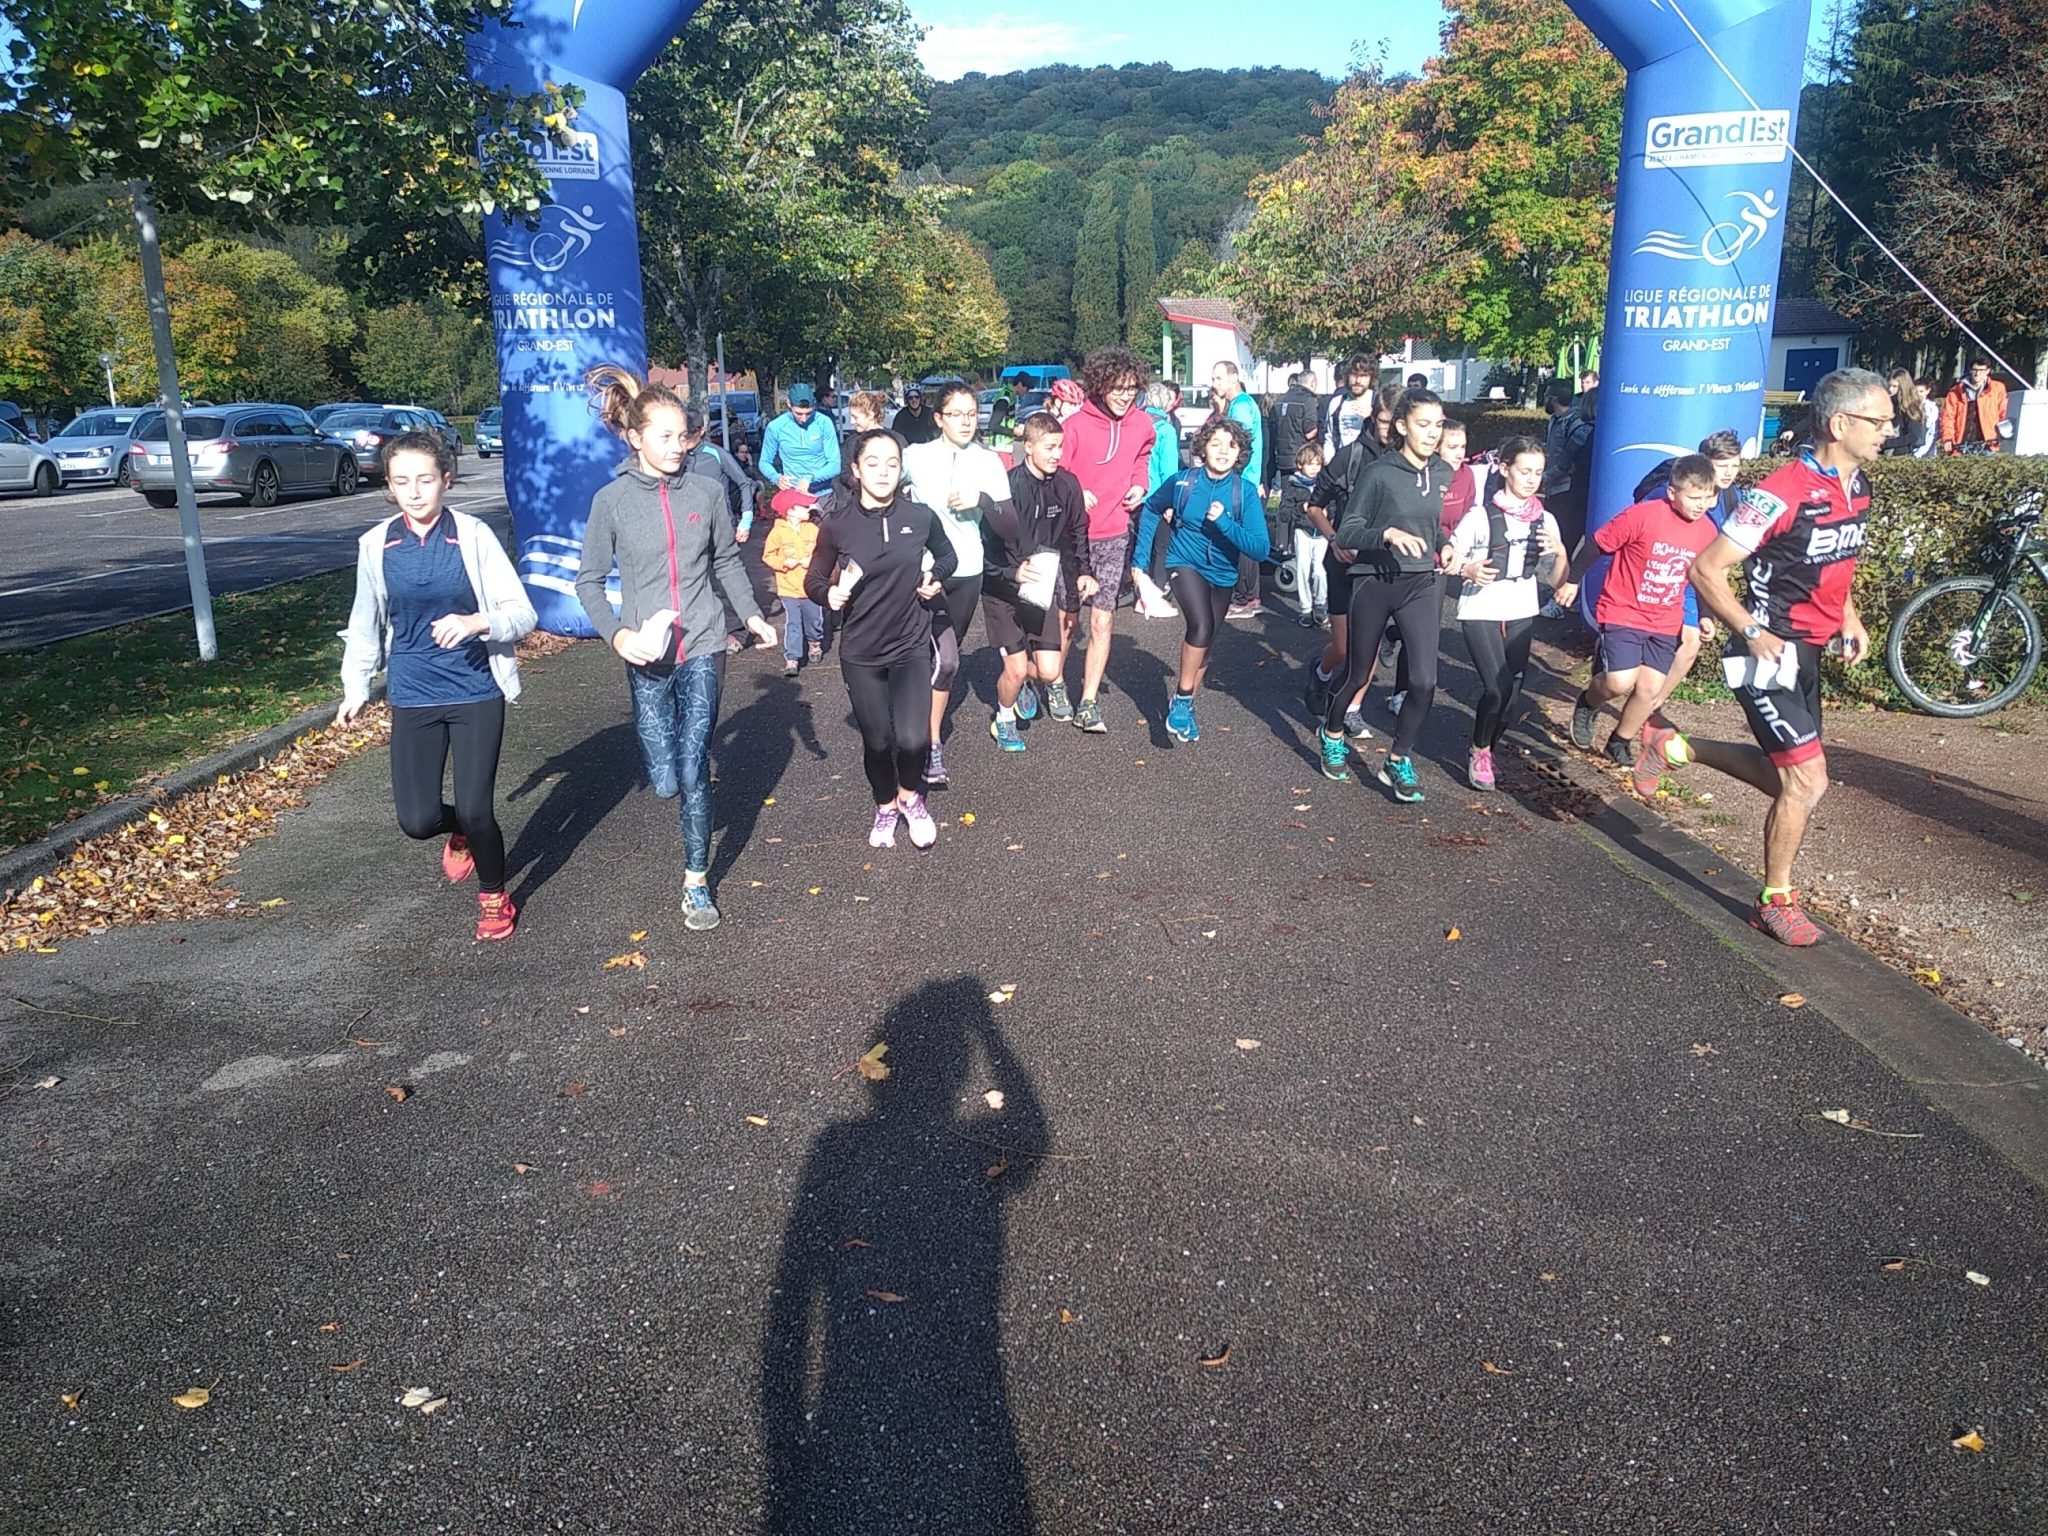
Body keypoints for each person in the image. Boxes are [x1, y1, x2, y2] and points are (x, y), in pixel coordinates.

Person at [1665, 368, 1886, 947]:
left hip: (1806, 653)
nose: (1889, 430)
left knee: (1787, 776)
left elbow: (1835, 560)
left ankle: (1680, 747)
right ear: (1840, 423)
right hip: (1762, 653)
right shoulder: (1779, 492)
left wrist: (1848, 614)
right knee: (1807, 780)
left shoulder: (1858, 485)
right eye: (1879, 421)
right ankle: (1774, 901)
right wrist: (1751, 629)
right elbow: (1705, 570)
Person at [575, 366, 777, 932]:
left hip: (705, 642)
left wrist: (752, 615)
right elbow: (588, 582)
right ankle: (681, 787)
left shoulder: (707, 492)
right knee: (665, 781)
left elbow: (726, 561)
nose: (676, 446)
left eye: (682, 436)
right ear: (634, 438)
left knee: (691, 770)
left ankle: (696, 882)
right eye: (663, 436)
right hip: (646, 653)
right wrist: (619, 636)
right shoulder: (612, 501)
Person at [338, 430, 536, 942]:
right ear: (388, 485)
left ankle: (494, 895)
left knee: (476, 806)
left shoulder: (472, 535)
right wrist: (356, 685)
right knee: (418, 820)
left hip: (475, 690)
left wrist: (477, 622)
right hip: (413, 692)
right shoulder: (376, 544)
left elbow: (522, 613)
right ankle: (461, 832)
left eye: (425, 480)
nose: (414, 491)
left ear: (446, 480)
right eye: (402, 481)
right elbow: (365, 620)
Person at [804, 430, 958, 850]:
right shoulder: (837, 524)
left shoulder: (921, 517)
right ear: (855, 470)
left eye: (892, 463)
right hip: (862, 652)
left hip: (910, 644)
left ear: (901, 469)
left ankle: (910, 799)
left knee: (913, 740)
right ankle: (886, 805)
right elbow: (813, 578)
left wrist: (935, 577)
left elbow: (948, 556)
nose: (883, 471)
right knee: (878, 742)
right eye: (873, 463)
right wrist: (828, 594)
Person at [1314, 389, 1454, 801]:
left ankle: (1397, 759)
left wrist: (1444, 544)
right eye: (1423, 424)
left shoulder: (1441, 472)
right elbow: (1349, 532)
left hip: (1420, 583)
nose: (1432, 433)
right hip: (1374, 580)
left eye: (1438, 424)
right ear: (1402, 426)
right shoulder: (1379, 472)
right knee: (1359, 674)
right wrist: (1387, 535)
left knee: (1424, 681)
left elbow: (1430, 524)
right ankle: (1332, 732)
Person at [1563, 454, 1723, 795]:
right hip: (1623, 610)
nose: (1700, 504)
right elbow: (1598, 544)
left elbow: (1705, 576)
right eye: (1693, 497)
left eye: (1707, 497)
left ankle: (1619, 741)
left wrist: (1706, 614)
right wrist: (1573, 581)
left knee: (1649, 689)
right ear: (1672, 493)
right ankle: (1588, 702)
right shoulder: (1643, 515)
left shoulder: (1708, 531)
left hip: (1665, 618)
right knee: (1620, 682)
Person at [1131, 417, 1270, 744]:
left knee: (1205, 643)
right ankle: (1182, 699)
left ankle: (1185, 704)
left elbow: (1260, 548)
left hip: (1223, 574)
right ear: (1202, 448)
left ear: (1240, 453)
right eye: (1215, 443)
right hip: (1184, 562)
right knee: (1201, 625)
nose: (1223, 451)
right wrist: (1139, 562)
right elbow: (1151, 509)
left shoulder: (1244, 493)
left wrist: (1225, 524)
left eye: (1231, 446)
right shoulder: (1183, 483)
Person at [903, 381, 1011, 786]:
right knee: (938, 658)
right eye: (956, 414)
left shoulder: (988, 461)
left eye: (971, 414)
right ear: (938, 418)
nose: (966, 422)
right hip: (920, 570)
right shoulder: (916, 456)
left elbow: (1009, 525)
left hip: (966, 571)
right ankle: (928, 742)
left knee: (945, 661)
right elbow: (875, 487)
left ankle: (921, 732)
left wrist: (982, 500)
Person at [1445, 435, 1564, 790]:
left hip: (1520, 606)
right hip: (1481, 605)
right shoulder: (1481, 516)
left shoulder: (1546, 520)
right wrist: (1468, 569)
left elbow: (1557, 580)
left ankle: (1488, 748)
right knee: (1496, 688)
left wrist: (1560, 552)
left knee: (1512, 693)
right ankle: (1479, 750)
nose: (1532, 479)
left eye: (1538, 473)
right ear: (1504, 469)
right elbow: (1449, 558)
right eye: (1524, 471)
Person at [1053, 347, 1156, 733]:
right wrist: (1075, 492)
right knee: (1068, 618)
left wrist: (1140, 484)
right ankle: (1056, 681)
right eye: (1117, 388)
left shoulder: (1142, 424)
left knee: (1102, 620)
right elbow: (1055, 473)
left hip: (1114, 533)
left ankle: (1089, 701)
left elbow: (1142, 458)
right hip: (1073, 537)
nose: (1124, 396)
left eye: (1131, 388)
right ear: (1099, 385)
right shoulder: (1075, 426)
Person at [980, 410, 1091, 752]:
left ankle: (1025, 684)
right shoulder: (1008, 486)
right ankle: (1004, 720)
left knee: (1049, 671)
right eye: (1049, 447)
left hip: (1040, 587)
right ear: (1028, 447)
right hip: (1002, 589)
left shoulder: (1067, 484)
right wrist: (1011, 572)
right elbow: (986, 545)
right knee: (1015, 669)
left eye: (1060, 447)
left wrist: (1084, 571)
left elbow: (1078, 532)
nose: (1057, 454)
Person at [1637, 429, 1745, 727]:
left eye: (1735, 465)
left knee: (1692, 641)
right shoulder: (1668, 494)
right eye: (1723, 466)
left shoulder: (1733, 497)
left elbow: (1724, 554)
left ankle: (1652, 706)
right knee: (1645, 646)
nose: (1730, 473)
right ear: (1704, 463)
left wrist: (1710, 607)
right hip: (1663, 572)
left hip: (1696, 581)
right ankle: (1614, 685)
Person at [1209, 361, 1267, 620]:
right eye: (1214, 378)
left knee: (1242, 539)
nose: (1215, 384)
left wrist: (1229, 476)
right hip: (1248, 479)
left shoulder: (1241, 407)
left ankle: (1246, 597)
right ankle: (1247, 596)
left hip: (1242, 481)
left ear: (1234, 378)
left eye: (1219, 378)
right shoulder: (1241, 404)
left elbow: (1240, 446)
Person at [1132, 380, 1185, 619]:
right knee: (1162, 548)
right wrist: (1170, 503)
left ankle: (1139, 594)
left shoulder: (1138, 424)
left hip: (1136, 494)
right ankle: (1156, 595)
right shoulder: (1165, 430)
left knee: (1141, 548)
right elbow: (1169, 471)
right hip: (1157, 497)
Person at [763, 498, 824, 677]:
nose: (808, 509)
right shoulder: (777, 532)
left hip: (811, 586)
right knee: (793, 622)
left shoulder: (812, 529)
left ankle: (814, 642)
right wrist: (784, 562)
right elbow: (768, 556)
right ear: (790, 511)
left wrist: (812, 560)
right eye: (804, 506)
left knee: (814, 619)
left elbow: (823, 552)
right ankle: (792, 657)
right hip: (788, 587)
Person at [681, 403, 759, 541]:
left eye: (691, 433)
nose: (686, 438)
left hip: (721, 524)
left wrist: (746, 520)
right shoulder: (675, 456)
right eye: (683, 433)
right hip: (690, 526)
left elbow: (744, 483)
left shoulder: (717, 453)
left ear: (701, 431)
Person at [760, 384, 842, 499]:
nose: (803, 419)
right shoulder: (776, 427)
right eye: (798, 413)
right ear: (789, 404)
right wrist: (776, 478)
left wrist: (810, 478)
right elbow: (764, 462)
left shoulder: (824, 423)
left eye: (808, 413)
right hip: (793, 494)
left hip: (823, 494)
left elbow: (835, 465)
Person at [1281, 442, 1327, 629]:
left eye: (1318, 463)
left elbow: (1334, 503)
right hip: (1303, 532)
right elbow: (1284, 514)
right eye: (1310, 464)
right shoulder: (1293, 487)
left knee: (1320, 571)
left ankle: (1321, 603)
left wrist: (1329, 513)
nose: (1314, 468)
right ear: (1300, 465)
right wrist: (1301, 508)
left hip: (1322, 533)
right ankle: (1306, 608)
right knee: (1303, 569)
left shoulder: (1325, 484)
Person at [1938, 357, 2009, 455]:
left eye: (1981, 370)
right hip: (1961, 444)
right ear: (1970, 370)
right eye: (1974, 370)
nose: (1977, 373)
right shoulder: (1955, 391)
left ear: (1988, 371)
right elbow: (1947, 417)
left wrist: (2000, 435)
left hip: (1988, 444)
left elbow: (2003, 414)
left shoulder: (1997, 389)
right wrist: (1947, 438)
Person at [1268, 369, 1322, 492]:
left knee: (1287, 495)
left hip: (1282, 456)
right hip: (1301, 457)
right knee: (1302, 495)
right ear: (1312, 383)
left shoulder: (1280, 399)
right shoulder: (1308, 400)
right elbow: (1309, 433)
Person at [1321, 356, 1378, 452]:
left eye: (1363, 375)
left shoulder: (1377, 401)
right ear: (1347, 376)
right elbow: (1329, 438)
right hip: (1342, 459)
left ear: (1371, 378)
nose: (1358, 381)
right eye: (1354, 375)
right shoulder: (1336, 403)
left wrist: (1372, 418)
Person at [1886, 369, 1936, 458]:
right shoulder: (1886, 402)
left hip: (1901, 455)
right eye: (1889, 385)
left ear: (1903, 387)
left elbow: (1914, 435)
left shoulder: (1912, 407)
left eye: (1894, 386)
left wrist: (1886, 443)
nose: (1890, 389)